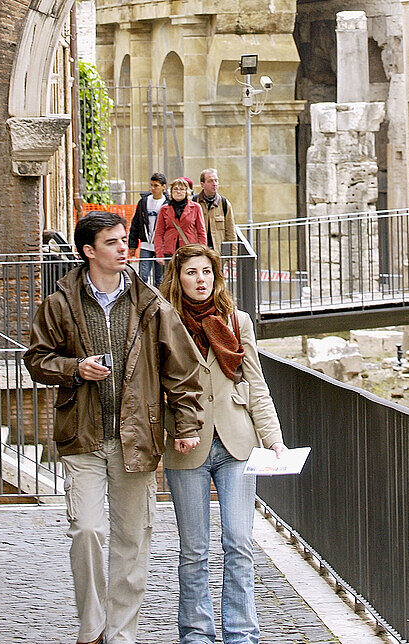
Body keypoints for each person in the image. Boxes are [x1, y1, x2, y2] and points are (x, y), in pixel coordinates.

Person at [24, 211, 204, 644]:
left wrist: (186, 422)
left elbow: (182, 369)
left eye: (125, 240)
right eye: (113, 242)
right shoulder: (60, 303)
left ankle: (121, 634)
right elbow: (36, 359)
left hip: (136, 439)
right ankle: (92, 629)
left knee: (131, 541)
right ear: (88, 251)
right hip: (82, 436)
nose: (125, 248)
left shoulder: (151, 305)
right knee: (86, 529)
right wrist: (74, 368)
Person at [161, 244, 285, 644]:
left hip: (238, 442)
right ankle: (196, 634)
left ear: (217, 277)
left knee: (239, 541)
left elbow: (257, 384)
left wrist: (275, 440)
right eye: (192, 273)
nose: (201, 280)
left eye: (207, 272)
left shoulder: (236, 320)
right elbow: (154, 387)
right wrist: (170, 428)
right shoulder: (164, 322)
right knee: (193, 550)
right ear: (178, 279)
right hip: (187, 443)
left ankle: (241, 633)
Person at [154, 177, 207, 264]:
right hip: (169, 252)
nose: (178, 192)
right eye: (175, 189)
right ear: (170, 192)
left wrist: (202, 252)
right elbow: (159, 233)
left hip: (190, 251)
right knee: (170, 277)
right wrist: (159, 254)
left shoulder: (196, 207)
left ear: (187, 192)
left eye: (182, 189)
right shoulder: (164, 209)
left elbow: (201, 232)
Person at [128, 171, 168, 287]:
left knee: (159, 277)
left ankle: (159, 301)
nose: (153, 188)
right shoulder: (144, 202)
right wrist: (132, 245)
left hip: (161, 246)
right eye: (151, 185)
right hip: (146, 244)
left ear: (163, 187)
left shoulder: (167, 204)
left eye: (156, 186)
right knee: (143, 276)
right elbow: (135, 224)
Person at [194, 167, 237, 254]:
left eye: (216, 180)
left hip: (218, 252)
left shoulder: (224, 203)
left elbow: (231, 233)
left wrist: (232, 257)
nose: (214, 184)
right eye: (210, 181)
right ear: (202, 184)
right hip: (198, 252)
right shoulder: (194, 202)